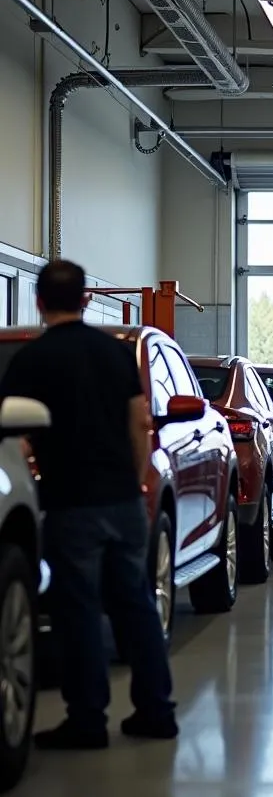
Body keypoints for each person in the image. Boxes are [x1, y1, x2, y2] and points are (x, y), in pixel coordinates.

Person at [0, 260, 177, 749]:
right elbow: (139, 420)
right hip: (121, 498)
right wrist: (138, 480)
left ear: (39, 302)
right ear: (85, 300)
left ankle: (87, 721)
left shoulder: (33, 361)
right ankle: (157, 711)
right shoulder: (114, 353)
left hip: (70, 503)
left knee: (77, 610)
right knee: (135, 604)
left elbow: (14, 438)